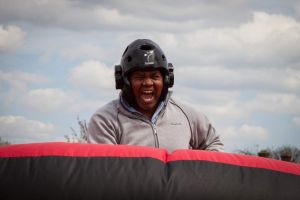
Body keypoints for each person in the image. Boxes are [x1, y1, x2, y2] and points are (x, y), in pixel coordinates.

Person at [87, 39, 223, 152]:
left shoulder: (187, 114)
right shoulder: (105, 120)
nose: (147, 83)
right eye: (140, 77)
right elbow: (104, 170)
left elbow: (214, 144)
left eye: (155, 76)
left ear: (166, 80)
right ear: (124, 82)